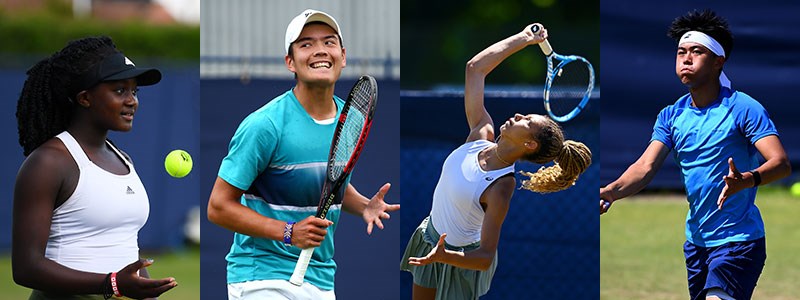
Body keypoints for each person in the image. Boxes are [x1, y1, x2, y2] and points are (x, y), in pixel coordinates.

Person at [206, 9, 399, 299]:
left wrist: (363, 206)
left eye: (329, 42)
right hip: (262, 279)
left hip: (320, 278)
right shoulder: (265, 125)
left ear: (343, 56)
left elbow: (328, 180)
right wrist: (288, 231)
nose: (320, 50)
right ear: (290, 62)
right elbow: (218, 207)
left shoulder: (350, 120)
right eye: (306, 44)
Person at [599, 10, 791, 300]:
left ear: (718, 62)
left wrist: (748, 180)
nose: (686, 58)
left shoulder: (744, 108)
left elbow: (781, 164)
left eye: (697, 52)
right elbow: (645, 166)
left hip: (739, 242)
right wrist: (610, 192)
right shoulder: (671, 115)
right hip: (696, 243)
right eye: (681, 52)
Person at [400, 24, 593, 300]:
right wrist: (524, 39)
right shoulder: (481, 133)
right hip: (430, 237)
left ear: (529, 144)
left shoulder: (501, 187)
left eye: (526, 121)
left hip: (459, 260)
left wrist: (447, 256)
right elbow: (474, 68)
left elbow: (485, 257)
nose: (517, 115)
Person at [12, 36, 177, 299]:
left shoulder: (122, 158)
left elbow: (123, 247)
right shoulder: (48, 162)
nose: (132, 100)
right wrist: (111, 283)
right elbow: (25, 268)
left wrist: (145, 290)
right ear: (85, 98)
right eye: (120, 90)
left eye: (134, 91)